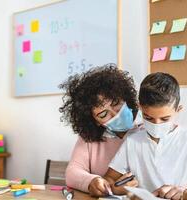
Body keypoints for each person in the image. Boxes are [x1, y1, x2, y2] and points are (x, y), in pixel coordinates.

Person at [104, 72, 187, 200]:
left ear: (178, 110)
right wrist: (116, 188)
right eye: (148, 117)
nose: (156, 124)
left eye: (165, 119)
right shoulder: (133, 140)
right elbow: (109, 179)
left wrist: (183, 191)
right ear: (140, 108)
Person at [59, 63, 140, 197]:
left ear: (126, 98)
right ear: (94, 121)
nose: (115, 115)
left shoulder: (151, 125)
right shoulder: (89, 137)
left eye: (116, 104)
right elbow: (72, 172)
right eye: (103, 114)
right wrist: (92, 182)